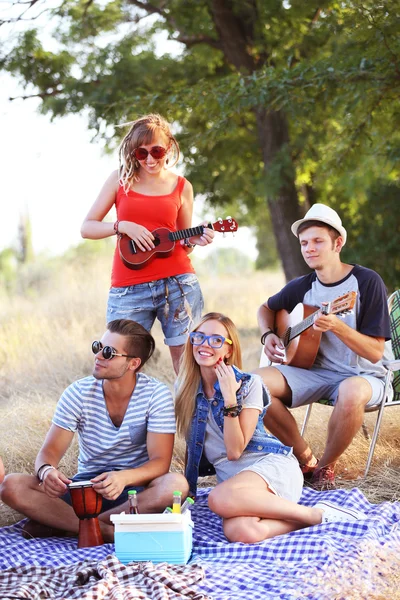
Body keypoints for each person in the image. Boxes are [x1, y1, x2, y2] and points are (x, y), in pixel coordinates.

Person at [174, 312, 362, 544]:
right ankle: (314, 519)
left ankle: (316, 513)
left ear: (229, 350)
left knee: (217, 498)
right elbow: (193, 446)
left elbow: (234, 452)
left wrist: (230, 399)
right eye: (199, 337)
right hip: (239, 489)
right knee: (241, 532)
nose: (205, 345)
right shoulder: (185, 390)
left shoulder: (249, 385)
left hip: (271, 468)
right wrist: (189, 489)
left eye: (216, 340)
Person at [0, 319, 188, 542]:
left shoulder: (155, 395)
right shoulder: (77, 393)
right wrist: (47, 472)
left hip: (133, 492)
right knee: (11, 486)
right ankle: (105, 530)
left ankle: (71, 525)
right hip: (85, 491)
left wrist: (123, 478)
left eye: (108, 352)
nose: (98, 356)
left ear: (133, 363)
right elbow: (48, 453)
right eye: (97, 347)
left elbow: (160, 462)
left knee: (176, 485)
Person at [256, 203, 393, 490]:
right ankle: (306, 459)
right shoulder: (301, 286)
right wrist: (268, 334)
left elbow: (375, 353)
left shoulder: (367, 282)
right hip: (316, 372)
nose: (309, 249)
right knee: (252, 385)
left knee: (351, 390)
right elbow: (266, 309)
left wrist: (339, 327)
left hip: (366, 376)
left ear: (338, 243)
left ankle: (325, 470)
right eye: (304, 243)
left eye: (318, 241)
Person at [81, 113, 214, 374]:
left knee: (188, 367)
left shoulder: (182, 187)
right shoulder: (120, 179)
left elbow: (181, 242)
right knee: (116, 364)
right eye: (141, 153)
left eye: (157, 151)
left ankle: (190, 415)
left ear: (170, 147)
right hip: (128, 289)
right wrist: (121, 226)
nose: (150, 159)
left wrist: (194, 240)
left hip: (178, 285)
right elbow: (87, 228)